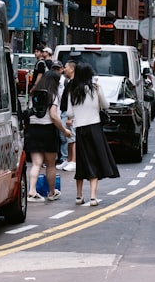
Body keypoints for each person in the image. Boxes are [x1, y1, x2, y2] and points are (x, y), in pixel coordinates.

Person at [62, 63, 120, 206]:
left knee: (82, 161)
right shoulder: (95, 89)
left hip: (80, 128)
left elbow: (69, 113)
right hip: (94, 127)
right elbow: (106, 105)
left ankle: (79, 196)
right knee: (94, 160)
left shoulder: (73, 90)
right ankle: (93, 197)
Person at [24, 69, 71, 202]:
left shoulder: (34, 95)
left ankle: (32, 191)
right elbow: (54, 116)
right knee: (50, 165)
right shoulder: (52, 95)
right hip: (48, 131)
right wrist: (64, 131)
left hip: (33, 130)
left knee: (36, 163)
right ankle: (51, 192)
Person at [58, 59, 77, 172]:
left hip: (69, 113)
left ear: (72, 69)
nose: (64, 69)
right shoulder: (70, 82)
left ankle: (73, 161)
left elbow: (73, 101)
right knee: (67, 137)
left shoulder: (74, 83)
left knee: (72, 138)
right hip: (65, 112)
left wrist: (71, 117)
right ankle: (68, 160)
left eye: (66, 67)